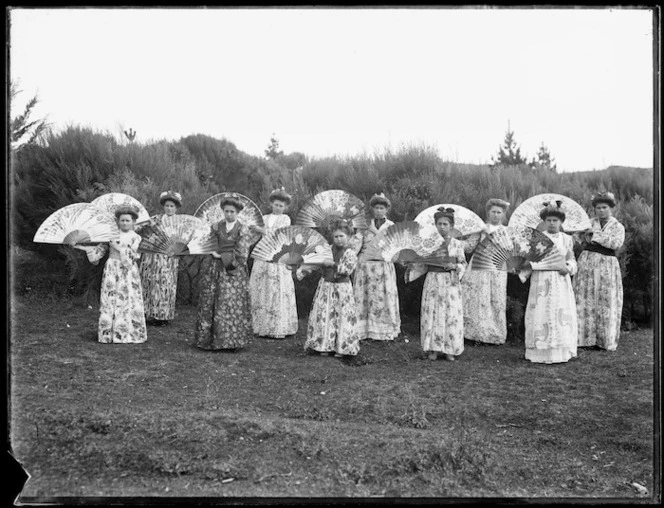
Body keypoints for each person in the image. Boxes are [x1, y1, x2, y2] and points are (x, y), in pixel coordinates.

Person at [76, 206, 147, 343]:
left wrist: (117, 247)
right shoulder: (111, 235)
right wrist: (83, 247)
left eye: (128, 220)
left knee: (129, 298)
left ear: (133, 222)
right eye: (122, 220)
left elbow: (133, 256)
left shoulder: (136, 237)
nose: (125, 223)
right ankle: (109, 333)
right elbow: (100, 250)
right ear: (118, 221)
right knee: (111, 298)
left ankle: (130, 332)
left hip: (128, 271)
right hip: (112, 268)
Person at [521, 201, 578, 364]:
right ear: (544, 222)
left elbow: (571, 259)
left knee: (560, 313)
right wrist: (525, 266)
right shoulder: (537, 239)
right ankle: (539, 352)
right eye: (549, 220)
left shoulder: (566, 239)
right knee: (540, 312)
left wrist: (568, 267)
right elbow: (528, 261)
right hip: (541, 280)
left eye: (555, 220)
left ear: (561, 222)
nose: (552, 223)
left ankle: (560, 350)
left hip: (560, 281)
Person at [194, 194, 253, 351]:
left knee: (230, 302)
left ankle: (232, 341)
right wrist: (213, 252)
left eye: (232, 211)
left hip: (233, 270)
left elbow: (242, 252)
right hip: (214, 268)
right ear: (222, 211)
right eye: (226, 211)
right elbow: (208, 242)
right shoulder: (215, 226)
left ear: (238, 212)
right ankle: (209, 340)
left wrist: (223, 256)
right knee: (211, 300)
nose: (229, 214)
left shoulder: (243, 229)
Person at [297, 219, 360, 358]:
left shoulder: (350, 252)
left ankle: (342, 347)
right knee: (324, 314)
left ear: (348, 236)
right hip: (326, 287)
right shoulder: (326, 250)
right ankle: (323, 345)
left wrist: (331, 264)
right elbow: (316, 263)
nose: (338, 240)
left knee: (342, 315)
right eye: (336, 236)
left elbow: (346, 269)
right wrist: (305, 268)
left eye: (342, 236)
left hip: (342, 289)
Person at [574, 191, 625, 351]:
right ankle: (584, 338)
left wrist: (595, 235)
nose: (601, 211)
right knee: (585, 295)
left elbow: (615, 244)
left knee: (606, 298)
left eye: (604, 207)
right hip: (587, 261)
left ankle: (604, 340)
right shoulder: (587, 223)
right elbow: (576, 239)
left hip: (607, 264)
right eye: (598, 208)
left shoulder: (617, 226)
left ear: (611, 208)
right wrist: (581, 235)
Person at [418, 207, 467, 361]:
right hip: (433, 280)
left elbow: (463, 263)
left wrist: (456, 267)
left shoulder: (457, 245)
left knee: (450, 314)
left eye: (446, 224)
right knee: (432, 312)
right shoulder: (428, 244)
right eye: (439, 224)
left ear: (451, 226)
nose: (442, 227)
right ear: (435, 225)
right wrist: (411, 263)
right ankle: (433, 349)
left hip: (450, 282)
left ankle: (450, 349)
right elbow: (421, 265)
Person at [248, 188, 298, 338]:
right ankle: (259, 325)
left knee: (276, 287)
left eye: (281, 206)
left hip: (277, 255)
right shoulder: (263, 217)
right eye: (276, 204)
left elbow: (278, 235)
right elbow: (255, 235)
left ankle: (277, 325)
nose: (278, 208)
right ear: (271, 204)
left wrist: (261, 230)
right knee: (261, 286)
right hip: (263, 254)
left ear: (285, 207)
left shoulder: (285, 219)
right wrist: (252, 229)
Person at [352, 193, 401, 341]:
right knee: (364, 297)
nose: (379, 210)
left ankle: (383, 330)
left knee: (383, 298)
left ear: (387, 209)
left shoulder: (391, 226)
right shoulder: (364, 225)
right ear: (372, 209)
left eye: (382, 208)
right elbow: (356, 244)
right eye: (376, 207)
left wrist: (375, 232)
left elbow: (391, 246)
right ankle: (363, 330)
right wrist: (350, 256)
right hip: (366, 266)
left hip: (383, 266)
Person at [461, 199, 510, 345]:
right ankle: (475, 334)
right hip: (479, 265)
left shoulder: (507, 231)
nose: (496, 215)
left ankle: (493, 335)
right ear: (488, 213)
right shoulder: (480, 229)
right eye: (493, 212)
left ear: (503, 215)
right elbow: (469, 247)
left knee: (495, 298)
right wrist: (454, 241)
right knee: (478, 297)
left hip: (497, 267)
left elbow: (509, 250)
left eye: (499, 212)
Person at [139, 190, 182, 327]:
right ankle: (149, 312)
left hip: (168, 257)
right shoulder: (156, 219)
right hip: (152, 255)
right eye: (167, 206)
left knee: (165, 284)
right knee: (151, 281)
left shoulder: (179, 222)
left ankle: (163, 315)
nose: (169, 208)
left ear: (176, 208)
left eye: (172, 206)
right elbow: (142, 229)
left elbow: (178, 238)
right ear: (163, 206)